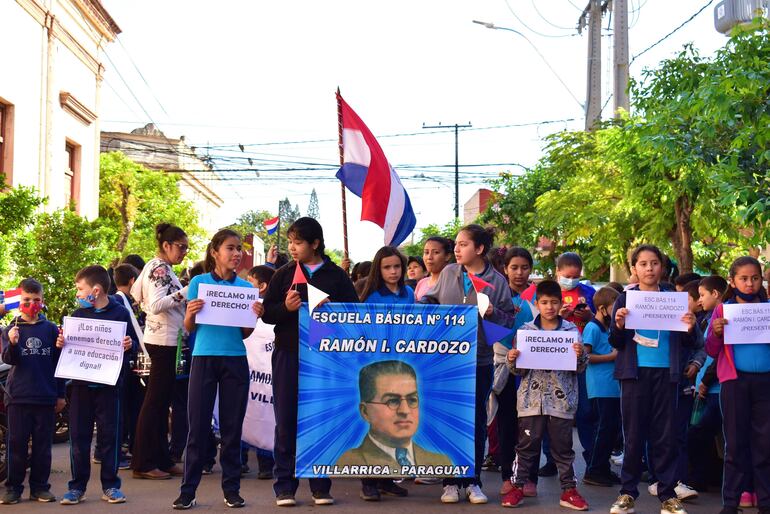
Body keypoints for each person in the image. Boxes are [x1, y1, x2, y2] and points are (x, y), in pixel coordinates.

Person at [262, 217, 359, 507]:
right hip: (288, 354)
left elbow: (354, 313)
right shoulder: (283, 274)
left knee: (322, 419)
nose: (292, 247)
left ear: (315, 243)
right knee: (286, 420)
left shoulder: (335, 276)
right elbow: (267, 314)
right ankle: (285, 486)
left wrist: (334, 310)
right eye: (290, 242)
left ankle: (320, 485)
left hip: (325, 358)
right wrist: (286, 308)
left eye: (298, 242)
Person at [421, 224, 516, 505]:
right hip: (446, 360)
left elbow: (509, 320)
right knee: (449, 418)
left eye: (463, 245)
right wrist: (424, 302)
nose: (457, 250)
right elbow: (433, 299)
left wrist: (492, 313)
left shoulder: (497, 281)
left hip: (480, 361)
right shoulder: (450, 272)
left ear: (479, 249)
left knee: (474, 421)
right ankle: (451, 481)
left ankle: (472, 480)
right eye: (457, 245)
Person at [173, 229, 262, 510]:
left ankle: (232, 489)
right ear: (215, 252)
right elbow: (190, 328)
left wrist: (255, 318)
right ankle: (188, 491)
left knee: (232, 429)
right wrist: (189, 313)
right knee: (197, 428)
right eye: (230, 248)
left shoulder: (248, 289)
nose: (237, 254)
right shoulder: (198, 283)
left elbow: (245, 333)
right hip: (204, 359)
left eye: (239, 249)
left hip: (234, 359)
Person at [608, 245, 700, 514]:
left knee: (665, 436)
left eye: (654, 263)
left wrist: (690, 325)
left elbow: (690, 341)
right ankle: (627, 494)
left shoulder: (675, 297)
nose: (649, 268)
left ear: (662, 266)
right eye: (643, 264)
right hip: (634, 375)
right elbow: (615, 341)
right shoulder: (625, 299)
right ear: (634, 269)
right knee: (633, 436)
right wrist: (619, 324)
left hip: (667, 375)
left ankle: (668, 496)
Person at [502, 279, 589, 510]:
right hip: (531, 401)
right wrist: (512, 359)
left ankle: (569, 490)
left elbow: (580, 367)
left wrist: (579, 355)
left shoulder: (571, 331)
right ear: (537, 304)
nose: (549, 307)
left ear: (561, 303)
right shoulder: (526, 331)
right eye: (544, 302)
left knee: (563, 448)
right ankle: (518, 487)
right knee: (526, 446)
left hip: (562, 402)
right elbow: (519, 370)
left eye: (553, 302)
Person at [57, 265, 138, 505]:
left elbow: (133, 342)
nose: (78, 295)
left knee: (110, 437)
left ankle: (111, 486)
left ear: (96, 290)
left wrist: (128, 344)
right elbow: (68, 348)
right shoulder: (78, 316)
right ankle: (76, 487)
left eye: (80, 289)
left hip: (109, 387)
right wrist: (61, 341)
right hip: (81, 387)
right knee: (79, 438)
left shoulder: (120, 313)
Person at [705, 257, 770, 514]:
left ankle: (765, 502)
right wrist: (717, 332)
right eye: (744, 278)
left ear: (761, 279)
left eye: (755, 278)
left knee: (765, 443)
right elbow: (710, 349)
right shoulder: (722, 310)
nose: (750, 283)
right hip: (735, 382)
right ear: (732, 281)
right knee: (735, 443)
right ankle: (730, 503)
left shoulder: (767, 309)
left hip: (765, 382)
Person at [130, 223, 189, 480]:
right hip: (162, 342)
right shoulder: (159, 267)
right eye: (180, 247)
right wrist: (187, 292)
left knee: (161, 403)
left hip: (166, 340)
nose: (184, 252)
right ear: (166, 246)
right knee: (154, 404)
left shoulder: (159, 268)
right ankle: (143, 462)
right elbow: (155, 305)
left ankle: (162, 459)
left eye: (186, 248)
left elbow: (138, 294)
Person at [356, 246, 415, 501]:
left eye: (397, 267)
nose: (393, 271)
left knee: (393, 425)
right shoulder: (371, 297)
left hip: (402, 363)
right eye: (387, 267)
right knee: (378, 422)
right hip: (377, 361)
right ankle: (369, 481)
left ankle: (388, 479)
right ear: (378, 271)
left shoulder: (409, 293)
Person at [0, 279, 65, 504]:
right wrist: (13, 343)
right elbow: (8, 359)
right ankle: (13, 488)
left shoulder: (50, 329)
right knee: (16, 445)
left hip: (45, 396)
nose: (31, 304)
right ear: (19, 302)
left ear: (42, 301)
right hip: (18, 397)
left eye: (36, 300)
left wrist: (60, 395)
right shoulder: (11, 329)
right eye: (26, 300)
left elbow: (59, 364)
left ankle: (39, 487)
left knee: (42, 446)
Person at [538, 252, 595, 478]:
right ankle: (551, 460)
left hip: (578, 358)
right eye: (567, 275)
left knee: (585, 412)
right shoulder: (551, 292)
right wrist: (557, 316)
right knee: (549, 410)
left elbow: (602, 320)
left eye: (576, 276)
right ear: (558, 271)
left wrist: (589, 315)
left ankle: (592, 460)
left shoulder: (588, 292)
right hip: (552, 359)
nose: (571, 279)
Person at [336, 360, 452, 470]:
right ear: (365, 412)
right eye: (392, 401)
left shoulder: (441, 462)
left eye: (412, 400)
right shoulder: (349, 463)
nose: (405, 410)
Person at [494, 247, 537, 497]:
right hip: (505, 367)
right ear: (505, 269)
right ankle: (508, 476)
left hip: (535, 371)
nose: (519, 273)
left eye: (524, 267)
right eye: (514, 267)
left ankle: (529, 476)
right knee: (507, 423)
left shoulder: (539, 296)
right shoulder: (498, 297)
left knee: (532, 426)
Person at [687, 275, 728, 493]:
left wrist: (705, 380)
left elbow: (720, 353)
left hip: (716, 387)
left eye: (702, 295)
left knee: (699, 433)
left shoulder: (722, 317)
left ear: (715, 294)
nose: (699, 300)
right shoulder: (709, 317)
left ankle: (700, 479)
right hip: (708, 387)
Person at [582, 286, 621, 487]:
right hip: (600, 386)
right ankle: (594, 470)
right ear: (602, 308)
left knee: (611, 430)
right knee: (603, 429)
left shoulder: (608, 329)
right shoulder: (593, 328)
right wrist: (611, 357)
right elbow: (585, 356)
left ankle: (603, 468)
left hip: (612, 387)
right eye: (614, 308)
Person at [243, 265, 277, 480]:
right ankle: (240, 462)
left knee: (265, 414)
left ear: (262, 287)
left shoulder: (270, 309)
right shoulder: (242, 306)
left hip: (266, 374)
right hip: (247, 371)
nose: (245, 285)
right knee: (245, 413)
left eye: (250, 281)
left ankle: (266, 464)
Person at [112, 263, 145, 469]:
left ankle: (124, 448)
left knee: (128, 408)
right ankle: (116, 452)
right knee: (123, 409)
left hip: (128, 363)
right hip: (121, 366)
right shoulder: (120, 303)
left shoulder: (121, 302)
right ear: (133, 281)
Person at [414, 237, 453, 301]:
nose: (429, 257)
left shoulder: (453, 283)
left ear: (447, 256)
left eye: (436, 252)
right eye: (426, 252)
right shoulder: (421, 283)